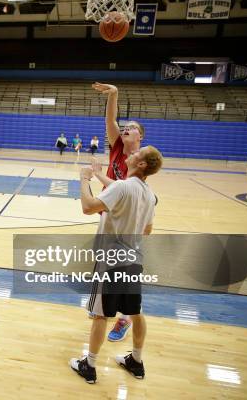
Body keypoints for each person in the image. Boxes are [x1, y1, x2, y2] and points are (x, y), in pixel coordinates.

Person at [69, 145, 164, 384]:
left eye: (136, 154)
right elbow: (148, 229)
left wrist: (84, 179)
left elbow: (88, 207)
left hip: (111, 260)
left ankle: (89, 365)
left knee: (100, 315)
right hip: (134, 259)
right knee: (135, 311)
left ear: (141, 164)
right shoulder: (149, 194)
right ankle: (137, 361)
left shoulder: (122, 187)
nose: (131, 154)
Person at [90, 82, 147, 342]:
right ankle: (105, 308)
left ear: (140, 137)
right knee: (105, 264)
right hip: (110, 216)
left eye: (132, 127)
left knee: (122, 269)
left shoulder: (141, 160)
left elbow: (125, 189)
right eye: (125, 127)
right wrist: (114, 93)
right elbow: (111, 119)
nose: (126, 128)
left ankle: (122, 318)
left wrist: (98, 175)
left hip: (126, 220)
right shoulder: (116, 147)